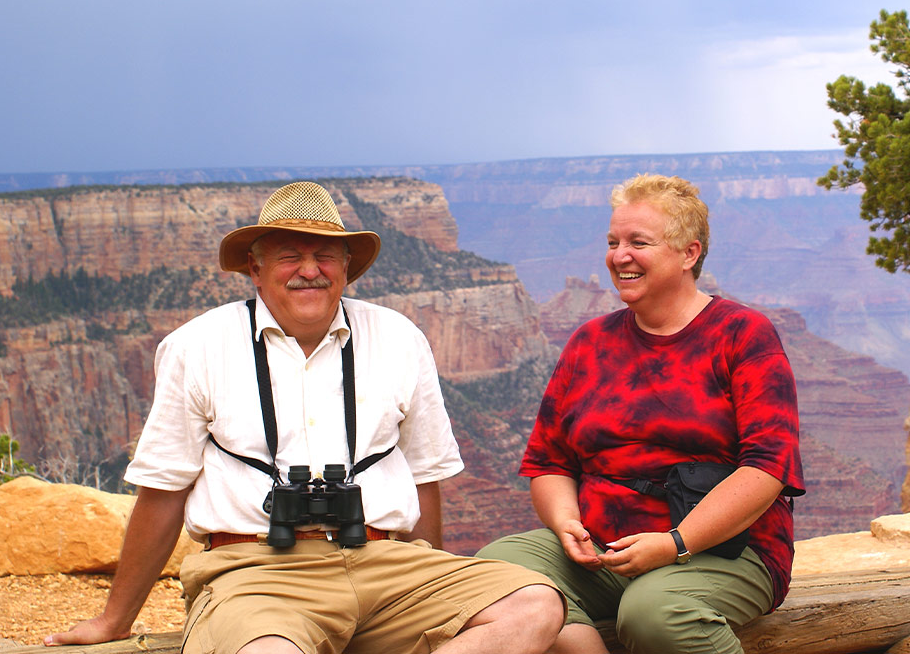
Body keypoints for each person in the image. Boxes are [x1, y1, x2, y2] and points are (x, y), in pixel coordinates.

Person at [45, 181, 564, 654]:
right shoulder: (197, 346)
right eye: (290, 255)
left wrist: (430, 583)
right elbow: (163, 490)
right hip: (254, 571)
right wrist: (114, 620)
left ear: (346, 266)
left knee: (535, 605)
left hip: (382, 561)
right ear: (255, 267)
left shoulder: (398, 337)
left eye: (324, 255)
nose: (309, 269)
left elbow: (423, 475)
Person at [477, 173, 805, 654]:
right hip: (605, 549)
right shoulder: (590, 342)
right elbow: (549, 462)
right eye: (613, 242)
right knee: (495, 572)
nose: (619, 256)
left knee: (655, 613)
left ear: (689, 253)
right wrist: (568, 522)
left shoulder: (742, 335)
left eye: (638, 242)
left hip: (724, 549)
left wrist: (676, 542)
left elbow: (767, 468)